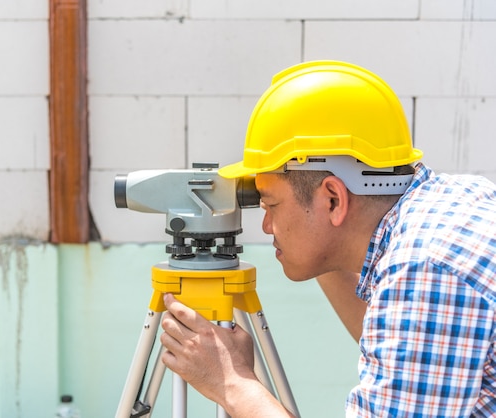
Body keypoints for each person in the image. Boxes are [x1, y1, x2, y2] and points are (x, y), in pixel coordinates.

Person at [159, 60, 496, 417]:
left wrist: (232, 383)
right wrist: (316, 249)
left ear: (333, 199)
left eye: (271, 204)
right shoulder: (456, 200)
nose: (267, 225)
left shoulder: (426, 271)